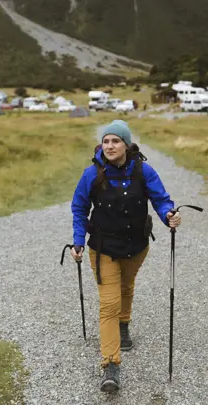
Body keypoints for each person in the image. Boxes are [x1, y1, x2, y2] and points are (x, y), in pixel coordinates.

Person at [70, 119, 181, 392]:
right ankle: (110, 365)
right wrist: (77, 241)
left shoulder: (143, 171)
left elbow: (161, 199)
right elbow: (79, 208)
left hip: (136, 245)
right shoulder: (91, 174)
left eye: (115, 141)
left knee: (126, 287)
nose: (110, 145)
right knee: (108, 303)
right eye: (106, 141)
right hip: (103, 247)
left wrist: (169, 215)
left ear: (126, 144)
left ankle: (124, 324)